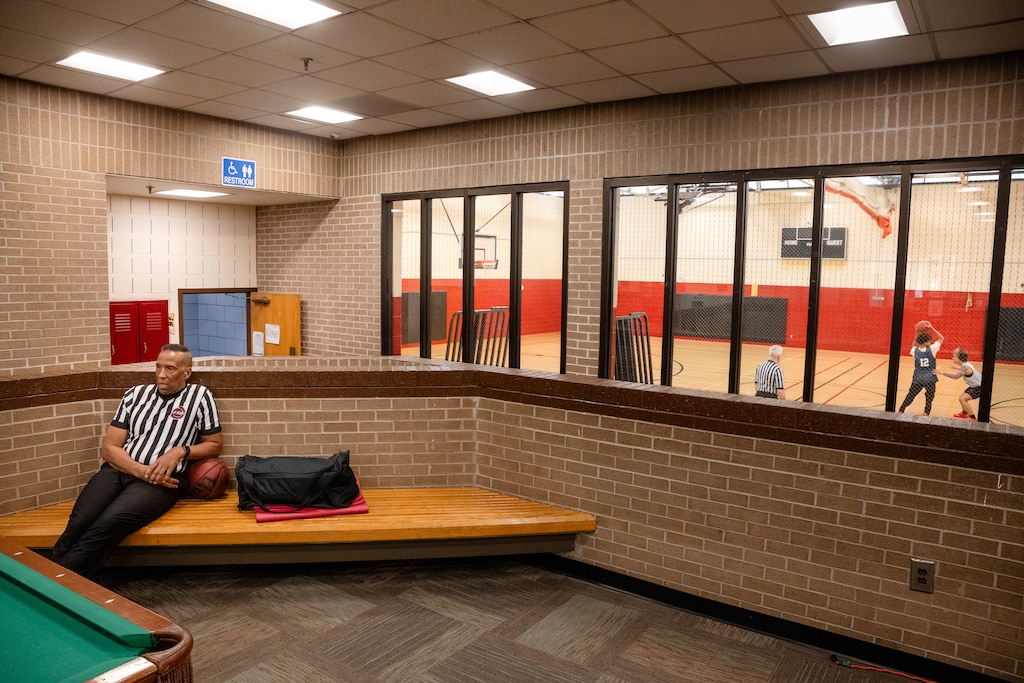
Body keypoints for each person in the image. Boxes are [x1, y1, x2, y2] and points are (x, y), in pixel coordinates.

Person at [51, 344, 222, 578]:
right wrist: (141, 471)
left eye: (170, 368)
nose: (161, 374)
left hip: (160, 483)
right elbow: (109, 448)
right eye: (158, 367)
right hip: (118, 471)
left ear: (186, 372)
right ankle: (52, 573)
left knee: (109, 523)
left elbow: (214, 444)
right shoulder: (134, 395)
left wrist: (180, 451)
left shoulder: (200, 397)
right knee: (81, 520)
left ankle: (57, 579)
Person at [898, 323, 944, 416]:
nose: (931, 342)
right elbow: (941, 338)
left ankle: (901, 410)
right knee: (929, 396)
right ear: (926, 342)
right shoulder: (932, 349)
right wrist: (932, 327)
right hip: (930, 378)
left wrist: (917, 333)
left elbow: (913, 345)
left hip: (918, 378)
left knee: (911, 395)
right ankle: (926, 412)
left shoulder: (915, 350)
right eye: (929, 341)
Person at [942, 347, 981, 421]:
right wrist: (957, 368)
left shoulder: (965, 367)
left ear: (960, 358)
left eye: (954, 357)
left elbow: (955, 377)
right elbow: (964, 370)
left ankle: (973, 418)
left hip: (979, 387)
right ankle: (964, 413)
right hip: (974, 385)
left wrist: (942, 372)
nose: (952, 358)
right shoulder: (964, 365)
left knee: (962, 399)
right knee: (962, 398)